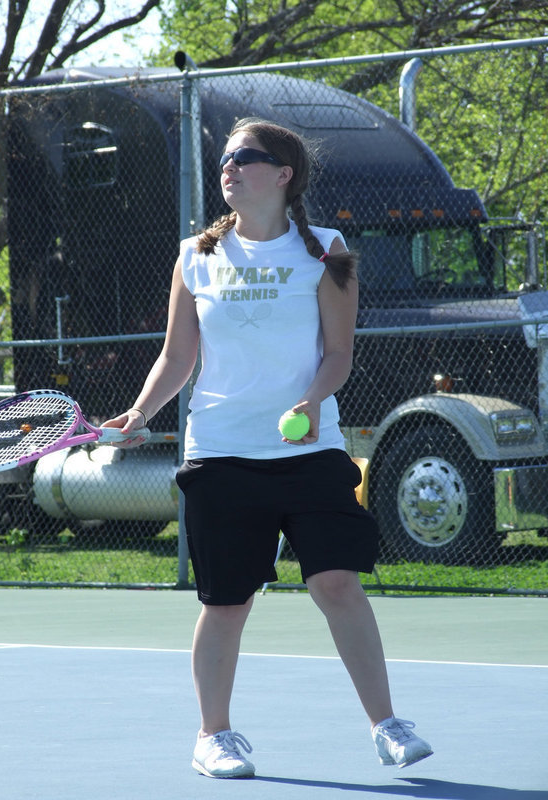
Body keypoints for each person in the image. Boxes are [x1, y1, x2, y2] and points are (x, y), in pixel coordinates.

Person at [104, 117, 433, 779]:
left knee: (337, 583)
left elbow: (339, 354)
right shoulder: (194, 255)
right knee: (226, 602)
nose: (229, 167)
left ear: (284, 175)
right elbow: (176, 357)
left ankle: (386, 724)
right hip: (221, 452)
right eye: (225, 158)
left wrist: (312, 401)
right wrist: (140, 411)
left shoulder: (329, 250)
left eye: (246, 157)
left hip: (309, 454)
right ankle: (212, 736)